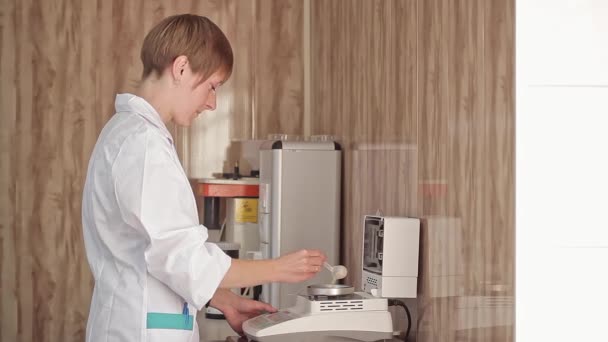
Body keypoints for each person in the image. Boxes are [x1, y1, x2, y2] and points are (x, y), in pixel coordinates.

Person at [81, 14, 326, 342]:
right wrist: (280, 268)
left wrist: (222, 299)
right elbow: (185, 259)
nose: (212, 103)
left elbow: (152, 254)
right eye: (212, 86)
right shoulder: (142, 144)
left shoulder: (131, 135)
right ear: (181, 68)